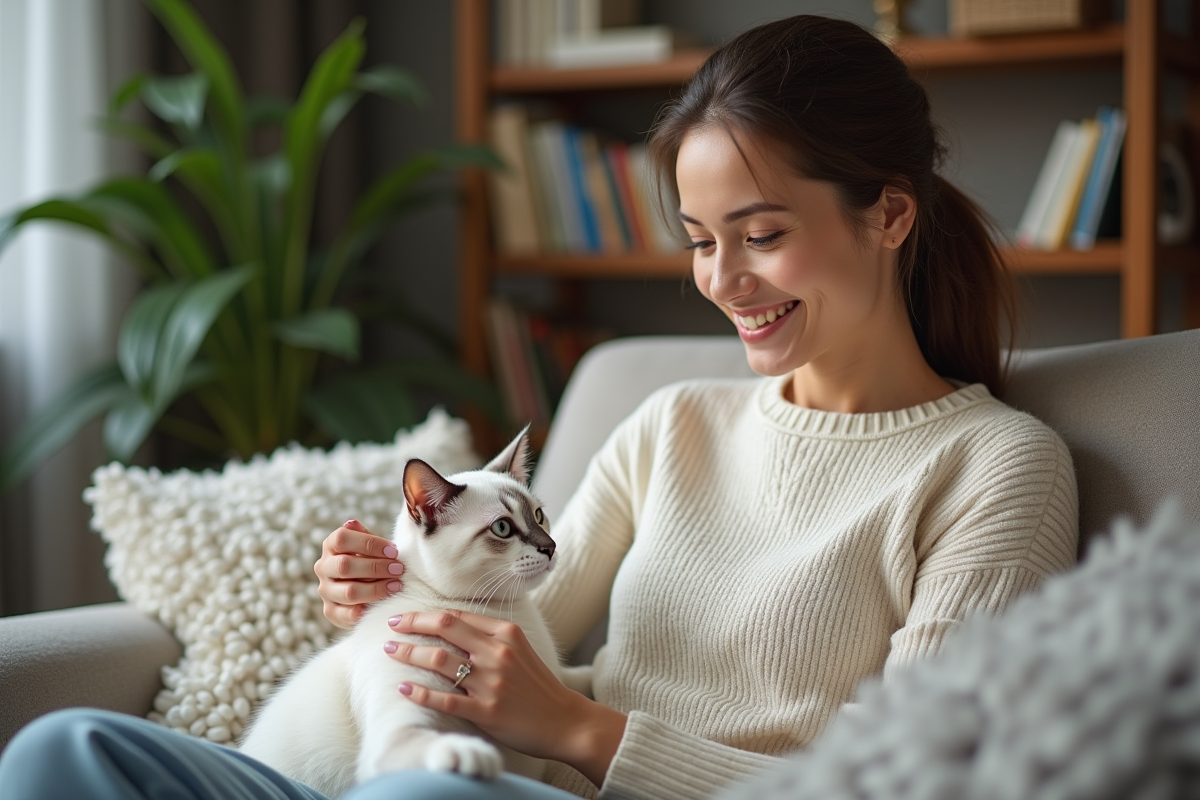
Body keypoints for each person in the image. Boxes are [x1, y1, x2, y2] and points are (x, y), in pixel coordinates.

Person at [0, 13, 1078, 800]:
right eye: (702, 241)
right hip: (470, 786)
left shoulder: (995, 466)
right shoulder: (674, 422)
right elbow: (506, 620)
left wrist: (581, 728)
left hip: (496, 792)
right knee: (63, 752)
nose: (724, 279)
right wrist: (397, 584)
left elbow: (923, 786)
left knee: (415, 797)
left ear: (888, 214)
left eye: (760, 234)